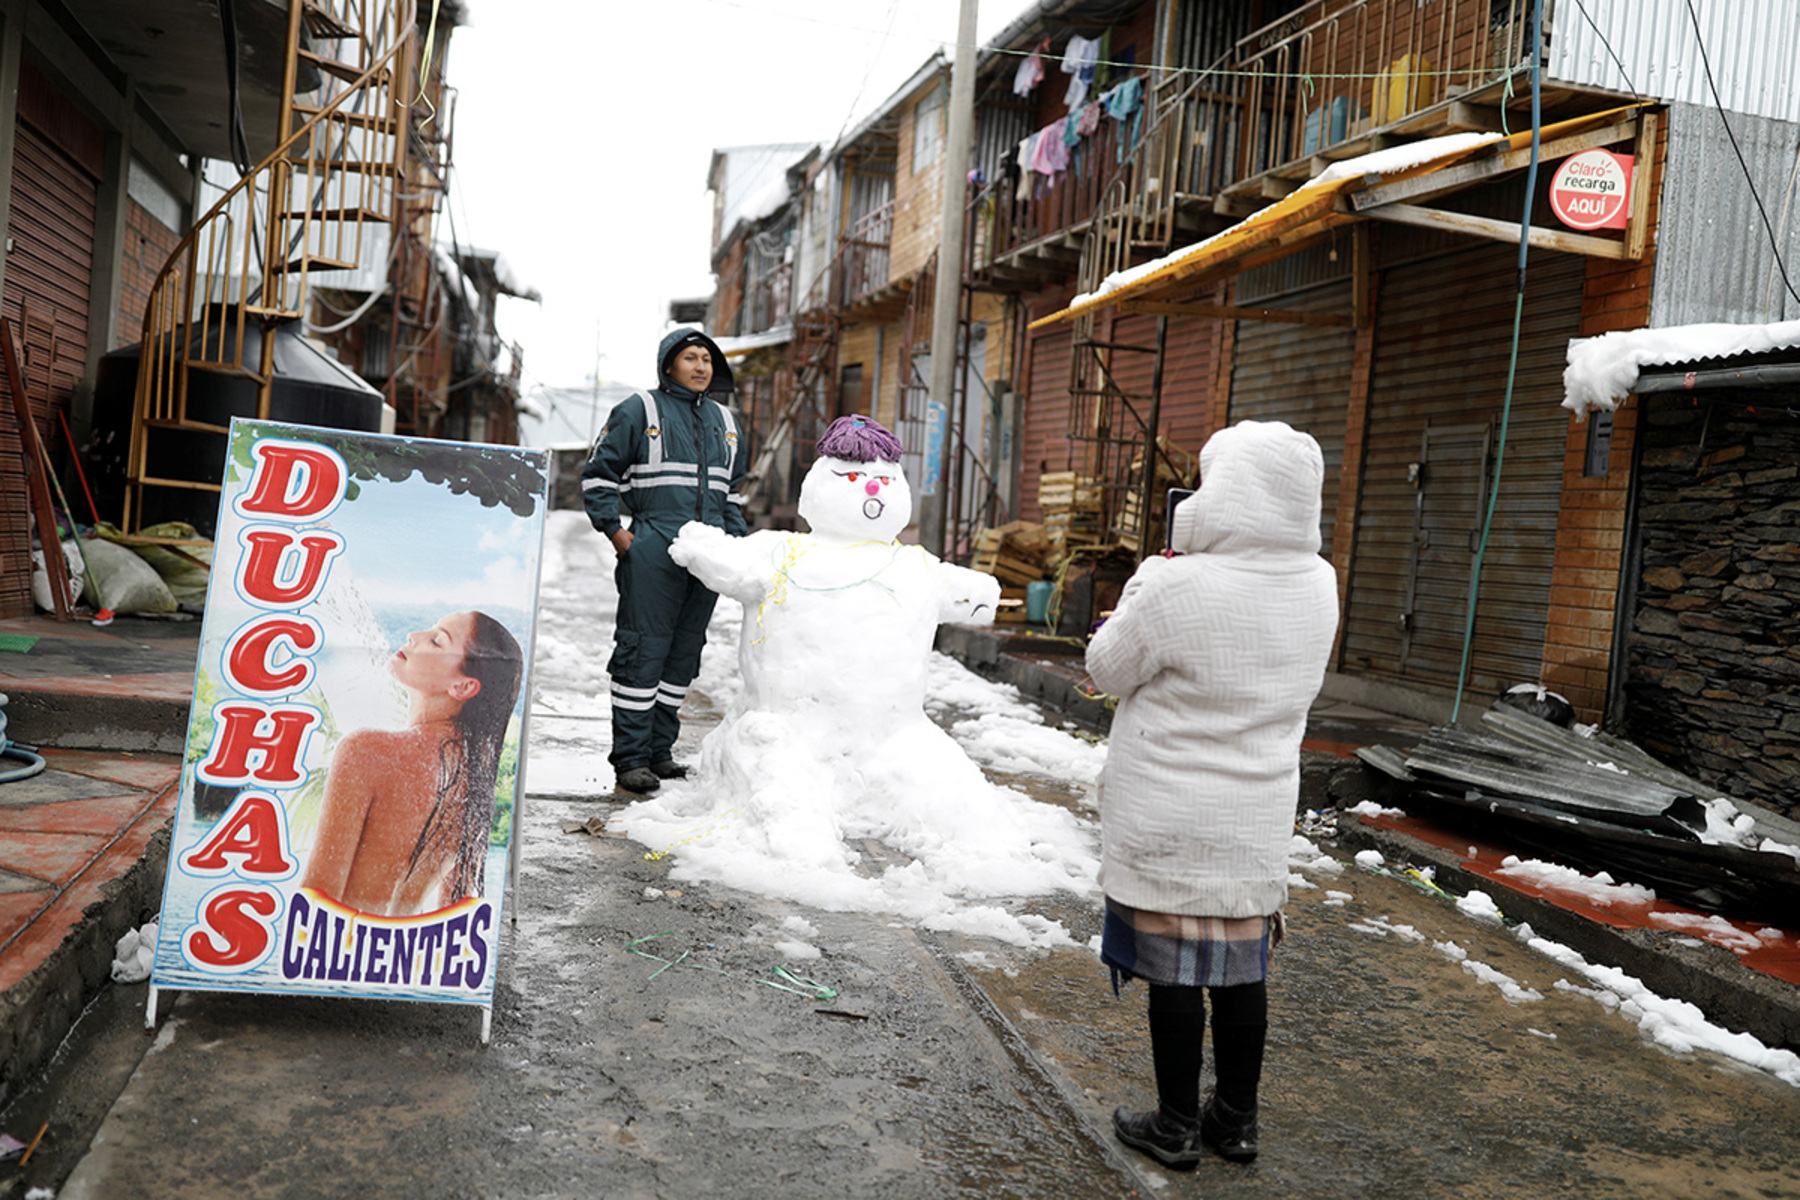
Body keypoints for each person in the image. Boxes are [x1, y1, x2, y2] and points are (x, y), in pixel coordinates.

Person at [1085, 420, 1338, 1170]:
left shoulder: (1176, 581)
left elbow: (1105, 666)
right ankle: (1236, 1120)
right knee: (1239, 969)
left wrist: (1148, 577)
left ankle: (1175, 1125)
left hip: (1171, 808)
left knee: (1173, 968)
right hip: (1256, 808)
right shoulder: (1319, 582)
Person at [582, 327, 748, 795]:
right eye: (691, 358)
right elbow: (598, 476)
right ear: (669, 365)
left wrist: (737, 547)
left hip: (707, 555)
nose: (701, 367)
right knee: (642, 649)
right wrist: (619, 535)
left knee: (683, 653)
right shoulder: (640, 409)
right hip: (653, 547)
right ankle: (631, 758)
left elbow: (731, 496)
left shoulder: (727, 422)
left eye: (707, 360)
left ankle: (659, 751)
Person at [301, 610, 523, 916]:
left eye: (436, 641)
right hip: (406, 953)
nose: (413, 636)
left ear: (462, 686)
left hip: (347, 950)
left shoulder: (368, 751)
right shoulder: (475, 778)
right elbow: (454, 912)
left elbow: (316, 900)